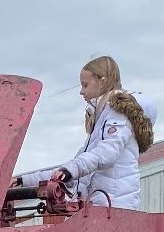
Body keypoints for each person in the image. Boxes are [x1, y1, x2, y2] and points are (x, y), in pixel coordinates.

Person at [14, 57, 155, 209]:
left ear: (102, 81)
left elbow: (107, 154)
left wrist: (71, 169)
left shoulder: (117, 114)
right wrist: (24, 181)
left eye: (85, 85)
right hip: (102, 204)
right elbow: (79, 165)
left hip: (113, 206)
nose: (81, 91)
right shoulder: (100, 123)